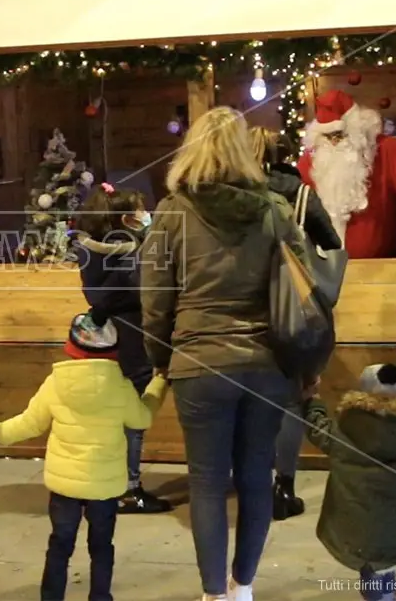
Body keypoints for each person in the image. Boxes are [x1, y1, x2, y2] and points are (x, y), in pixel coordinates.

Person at [140, 106, 305, 601]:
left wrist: (161, 357)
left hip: (198, 363)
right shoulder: (275, 210)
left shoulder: (171, 213)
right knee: (257, 477)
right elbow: (302, 286)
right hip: (265, 363)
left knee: (207, 483)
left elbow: (154, 300)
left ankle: (213, 594)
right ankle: (244, 587)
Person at [0, 313, 168, 601]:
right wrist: (159, 383)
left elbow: (29, 423)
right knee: (101, 546)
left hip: (65, 487)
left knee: (60, 544)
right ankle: (99, 596)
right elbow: (142, 418)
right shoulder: (120, 387)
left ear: (72, 347)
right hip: (104, 487)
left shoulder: (56, 383)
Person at [247, 126, 342, 521]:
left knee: (252, 398)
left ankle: (255, 479)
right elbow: (332, 243)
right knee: (293, 397)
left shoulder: (243, 195)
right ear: (287, 153)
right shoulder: (301, 195)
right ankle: (283, 486)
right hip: (295, 309)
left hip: (251, 307)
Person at [71, 182, 173, 515]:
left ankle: (105, 482)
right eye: (140, 210)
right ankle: (129, 488)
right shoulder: (126, 249)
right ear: (126, 218)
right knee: (133, 416)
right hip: (131, 336)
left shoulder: (91, 248)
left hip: (109, 334)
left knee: (114, 415)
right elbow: (140, 287)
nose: (146, 215)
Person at [302, 364, 396, 601]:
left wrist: (312, 401)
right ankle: (385, 594)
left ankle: (379, 596)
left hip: (351, 515)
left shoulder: (346, 425)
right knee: (384, 562)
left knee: (367, 563)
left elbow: (317, 428)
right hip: (389, 519)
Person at [297, 90, 396, 259]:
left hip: (381, 268)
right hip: (324, 271)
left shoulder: (387, 150)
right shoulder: (312, 161)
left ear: (357, 129)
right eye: (327, 136)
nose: (334, 142)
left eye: (339, 135)